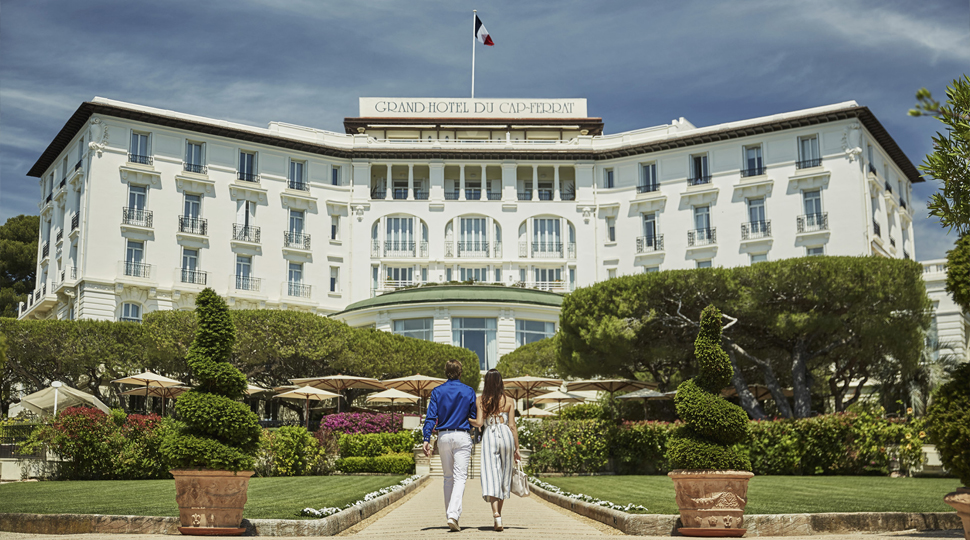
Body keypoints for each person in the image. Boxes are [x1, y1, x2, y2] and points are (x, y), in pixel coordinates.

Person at [422, 359, 477, 532]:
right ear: (460, 372)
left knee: (448, 478)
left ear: (446, 372)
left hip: (443, 435)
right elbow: (473, 417)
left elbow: (431, 417)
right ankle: (453, 515)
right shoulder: (469, 391)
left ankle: (450, 515)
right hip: (462, 435)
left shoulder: (437, 391)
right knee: (460, 477)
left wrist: (426, 438)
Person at [469, 369, 521, 532]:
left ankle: (496, 515)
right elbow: (512, 426)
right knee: (505, 475)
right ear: (500, 382)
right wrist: (517, 448)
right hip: (506, 435)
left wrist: (466, 418)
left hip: (490, 435)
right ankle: (499, 515)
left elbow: (478, 423)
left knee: (492, 476)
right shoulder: (509, 401)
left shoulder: (481, 400)